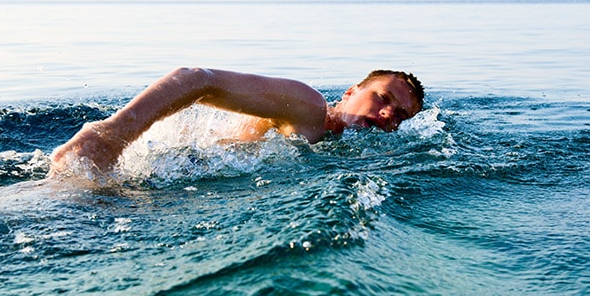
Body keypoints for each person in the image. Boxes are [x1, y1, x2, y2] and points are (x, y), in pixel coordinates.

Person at [50, 68, 424, 175]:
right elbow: (198, 79)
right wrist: (110, 137)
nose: (389, 112)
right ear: (349, 92)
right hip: (159, 167)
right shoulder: (308, 108)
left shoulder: (355, 153)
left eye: (401, 115)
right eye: (383, 97)